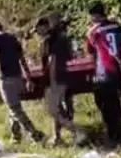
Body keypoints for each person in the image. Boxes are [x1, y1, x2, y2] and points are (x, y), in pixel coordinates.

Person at [0, 23, 46, 144]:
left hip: (5, 78)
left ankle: (35, 134)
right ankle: (16, 137)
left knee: (15, 109)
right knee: (13, 107)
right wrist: (28, 77)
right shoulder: (13, 38)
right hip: (18, 77)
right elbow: (22, 59)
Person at [35, 17, 87, 146]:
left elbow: (52, 61)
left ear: (45, 26)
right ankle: (57, 137)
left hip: (55, 78)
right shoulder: (63, 38)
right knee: (58, 109)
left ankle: (78, 131)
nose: (37, 32)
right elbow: (70, 56)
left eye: (38, 29)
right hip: (65, 76)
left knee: (52, 110)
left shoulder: (50, 40)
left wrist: (52, 81)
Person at [85, 2, 121, 146]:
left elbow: (91, 54)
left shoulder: (94, 31)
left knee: (104, 103)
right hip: (120, 70)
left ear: (94, 15)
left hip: (104, 71)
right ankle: (117, 129)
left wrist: (92, 73)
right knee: (115, 102)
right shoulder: (117, 27)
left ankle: (113, 135)